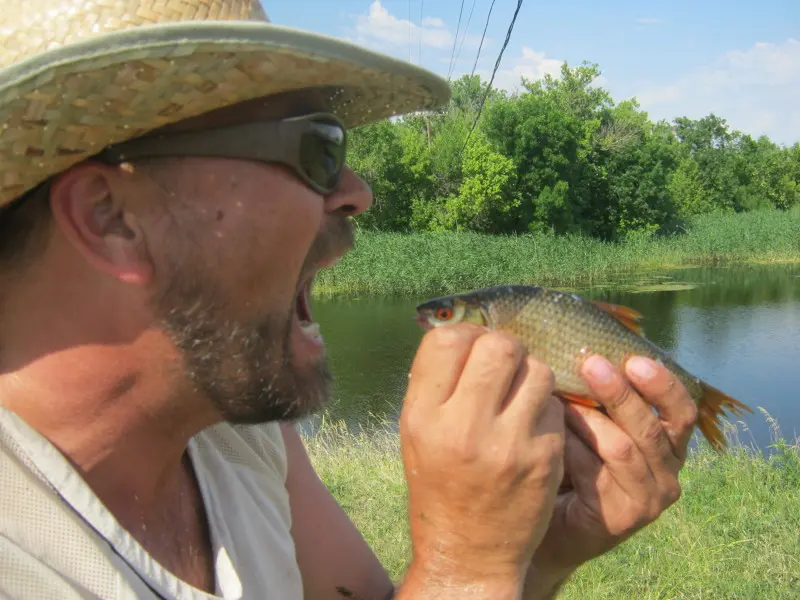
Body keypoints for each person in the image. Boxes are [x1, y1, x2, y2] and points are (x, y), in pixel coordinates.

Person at [0, 1, 699, 599]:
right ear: (111, 219)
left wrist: (530, 556)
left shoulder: (239, 440)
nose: (357, 190)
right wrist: (468, 570)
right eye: (317, 148)